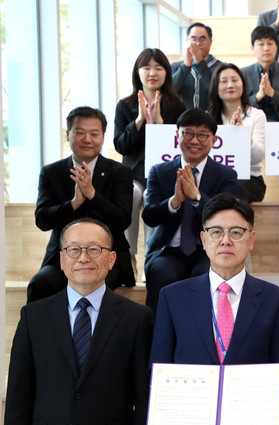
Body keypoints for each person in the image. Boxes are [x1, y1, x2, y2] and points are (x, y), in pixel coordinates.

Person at [149, 194, 279, 425]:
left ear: (251, 240)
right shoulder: (173, 297)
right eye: (216, 232)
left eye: (236, 232)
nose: (226, 240)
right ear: (203, 240)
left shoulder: (276, 301)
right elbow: (159, 370)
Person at [5, 218, 155, 425]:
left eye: (94, 249)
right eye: (73, 249)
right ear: (62, 259)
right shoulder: (34, 316)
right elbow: (19, 398)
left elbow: (146, 400)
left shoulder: (137, 318)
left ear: (111, 259)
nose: (83, 257)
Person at [29, 106, 134, 303]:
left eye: (94, 134)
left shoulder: (120, 172)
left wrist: (92, 195)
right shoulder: (52, 172)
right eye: (80, 133)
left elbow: (122, 220)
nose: (87, 139)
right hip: (64, 257)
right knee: (40, 284)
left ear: (103, 137)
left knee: (91, 285)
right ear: (68, 135)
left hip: (107, 258)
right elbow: (42, 220)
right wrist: (74, 203)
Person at [142, 108, 237, 311]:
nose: (195, 141)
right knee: (162, 274)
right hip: (168, 251)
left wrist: (196, 197)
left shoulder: (226, 175)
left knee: (208, 276)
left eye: (202, 135)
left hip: (208, 251)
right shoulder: (159, 171)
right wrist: (174, 201)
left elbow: (226, 219)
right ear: (177, 136)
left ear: (214, 140)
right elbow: (149, 216)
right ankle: (158, 330)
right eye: (188, 134)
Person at [115, 48, 186, 267]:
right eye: (146, 67)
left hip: (164, 173)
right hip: (134, 172)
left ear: (167, 73)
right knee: (131, 193)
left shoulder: (177, 106)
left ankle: (152, 256)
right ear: (138, 72)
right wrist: (139, 120)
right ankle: (129, 256)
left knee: (151, 196)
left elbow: (181, 146)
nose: (152, 73)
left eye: (158, 68)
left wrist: (160, 122)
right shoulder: (125, 105)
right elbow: (121, 146)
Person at [207, 63, 267, 202]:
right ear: (215, 87)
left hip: (249, 178)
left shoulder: (257, 115)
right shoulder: (206, 117)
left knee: (233, 187)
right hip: (214, 177)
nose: (230, 85)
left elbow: (258, 157)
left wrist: (243, 134)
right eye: (224, 81)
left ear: (243, 84)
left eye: (235, 80)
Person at [243, 25, 279, 123]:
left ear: (276, 47)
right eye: (261, 44)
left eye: (270, 43)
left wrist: (272, 93)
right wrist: (258, 96)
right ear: (252, 48)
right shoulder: (244, 73)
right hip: (252, 124)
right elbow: (239, 105)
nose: (266, 48)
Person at [171, 23, 222, 109]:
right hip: (182, 116)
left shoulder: (221, 67)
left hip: (212, 116)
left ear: (210, 42)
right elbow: (169, 91)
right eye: (193, 39)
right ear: (187, 41)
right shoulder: (176, 67)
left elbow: (219, 92)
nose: (198, 44)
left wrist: (200, 63)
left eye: (202, 39)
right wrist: (186, 67)